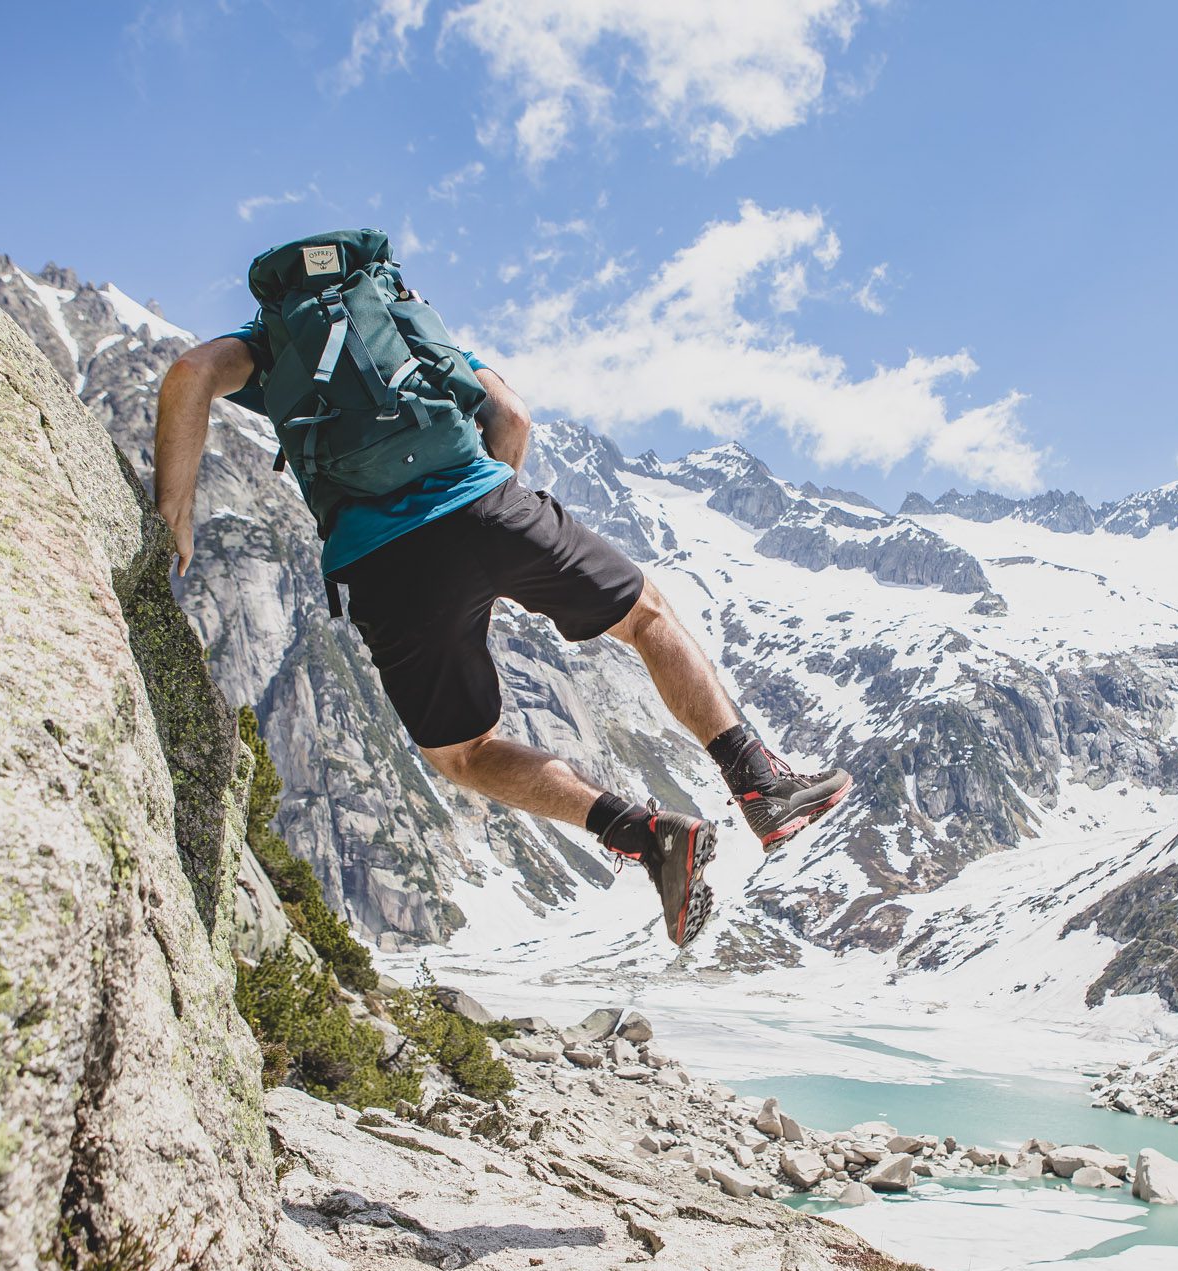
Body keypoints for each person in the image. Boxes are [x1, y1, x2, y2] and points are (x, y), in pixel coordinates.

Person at [151, 297, 850, 948]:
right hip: (487, 508)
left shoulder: (269, 344)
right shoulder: (402, 321)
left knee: (466, 753)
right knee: (645, 616)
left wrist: (173, 512)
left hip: (384, 565)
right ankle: (759, 781)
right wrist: (492, 547)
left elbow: (189, 373)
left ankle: (643, 835)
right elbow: (512, 414)